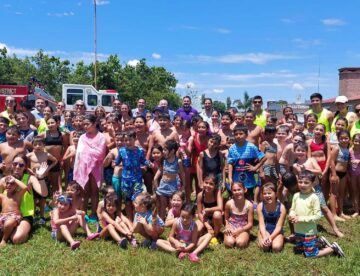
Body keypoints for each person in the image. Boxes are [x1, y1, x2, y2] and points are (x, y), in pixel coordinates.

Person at [289, 170, 344, 258]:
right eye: (300, 182)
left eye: (306, 183)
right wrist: (291, 214)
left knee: (310, 255)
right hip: (298, 230)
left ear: (312, 183)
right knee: (299, 250)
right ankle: (319, 242)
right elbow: (292, 209)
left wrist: (300, 218)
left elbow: (317, 216)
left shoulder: (314, 197)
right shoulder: (296, 196)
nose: (302, 185)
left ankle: (332, 248)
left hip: (308, 231)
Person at [74, 114, 107, 222]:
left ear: (95, 124)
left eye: (87, 124)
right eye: (84, 124)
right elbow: (79, 153)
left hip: (96, 167)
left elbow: (101, 153)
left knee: (94, 191)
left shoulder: (101, 137)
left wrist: (88, 153)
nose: (85, 126)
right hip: (83, 167)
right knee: (84, 191)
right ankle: (83, 213)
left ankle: (93, 213)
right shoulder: (82, 137)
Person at [114, 130, 151, 220]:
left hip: (137, 180)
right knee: (127, 201)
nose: (128, 142)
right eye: (126, 140)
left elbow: (143, 161)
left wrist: (149, 163)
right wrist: (114, 163)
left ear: (135, 139)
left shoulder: (140, 151)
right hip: (126, 180)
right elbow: (117, 161)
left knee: (137, 200)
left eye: (130, 139)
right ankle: (130, 219)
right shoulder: (122, 150)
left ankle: (137, 219)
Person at [227, 125, 266, 200]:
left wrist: (255, 167)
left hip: (249, 179)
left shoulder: (251, 147)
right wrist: (230, 177)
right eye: (236, 134)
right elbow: (230, 163)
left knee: (248, 198)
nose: (238, 136)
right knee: (237, 198)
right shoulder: (232, 148)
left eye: (241, 134)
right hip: (236, 178)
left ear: (246, 135)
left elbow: (264, 157)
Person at [154, 140, 185, 219]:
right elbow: (159, 171)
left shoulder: (178, 161)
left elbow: (182, 173)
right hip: (163, 185)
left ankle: (173, 219)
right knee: (162, 204)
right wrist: (156, 181)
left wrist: (183, 185)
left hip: (173, 185)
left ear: (172, 151)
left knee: (172, 204)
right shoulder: (163, 160)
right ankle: (161, 220)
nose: (163, 152)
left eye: (165, 150)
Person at [257, 182, 286, 253]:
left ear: (275, 194)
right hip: (265, 230)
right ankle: (260, 238)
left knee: (276, 248)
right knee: (265, 248)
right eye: (264, 193)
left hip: (276, 231)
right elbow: (261, 224)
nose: (267, 195)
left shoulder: (281, 207)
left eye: (269, 193)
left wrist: (270, 237)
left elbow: (279, 226)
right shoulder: (260, 206)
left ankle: (279, 239)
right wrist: (264, 236)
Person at [0, 175, 28, 246]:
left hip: (14, 216)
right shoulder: (2, 196)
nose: (9, 185)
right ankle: (4, 234)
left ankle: (4, 239)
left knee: (8, 224)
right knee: (5, 224)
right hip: (3, 216)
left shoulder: (17, 195)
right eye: (7, 183)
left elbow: (25, 187)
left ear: (16, 186)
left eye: (12, 184)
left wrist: (14, 180)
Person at [224, 182, 254, 249]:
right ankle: (232, 238)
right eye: (234, 190)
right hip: (232, 226)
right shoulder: (229, 203)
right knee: (229, 243)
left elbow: (250, 224)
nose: (237, 192)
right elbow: (226, 218)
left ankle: (244, 236)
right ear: (231, 191)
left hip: (243, 227)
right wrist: (227, 227)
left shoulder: (249, 205)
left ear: (245, 190)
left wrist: (239, 231)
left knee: (240, 243)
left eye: (239, 189)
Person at [329, 130, 351, 221]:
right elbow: (332, 162)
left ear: (349, 139)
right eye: (341, 138)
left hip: (344, 174)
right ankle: (333, 214)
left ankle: (341, 212)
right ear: (338, 139)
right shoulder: (336, 148)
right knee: (334, 193)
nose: (344, 140)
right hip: (336, 173)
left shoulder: (348, 148)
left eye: (346, 138)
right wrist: (333, 174)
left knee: (341, 194)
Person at [196, 174, 223, 245]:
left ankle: (215, 235)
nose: (208, 185)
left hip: (215, 219)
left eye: (211, 184)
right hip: (205, 219)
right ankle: (206, 232)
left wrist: (209, 209)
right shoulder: (200, 195)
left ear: (215, 186)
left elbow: (220, 208)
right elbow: (199, 214)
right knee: (197, 230)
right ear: (203, 183)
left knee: (217, 214)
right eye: (206, 182)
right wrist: (207, 225)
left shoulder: (217, 193)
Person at [350, 133, 360, 217]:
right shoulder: (350, 150)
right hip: (352, 174)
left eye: (359, 141)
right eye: (356, 141)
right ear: (352, 141)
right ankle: (356, 210)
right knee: (354, 191)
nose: (357, 143)